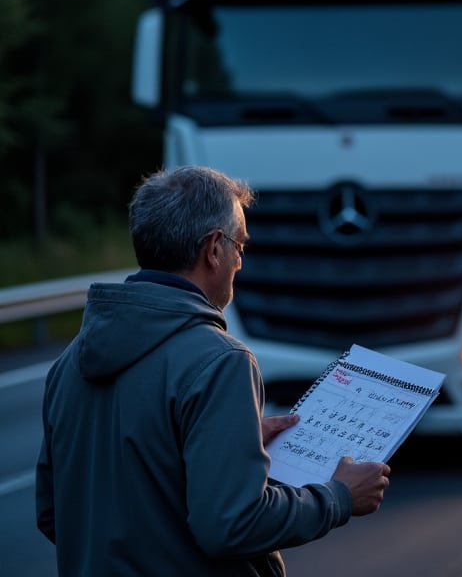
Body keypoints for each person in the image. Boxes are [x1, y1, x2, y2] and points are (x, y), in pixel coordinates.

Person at [36, 165, 391, 576]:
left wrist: (230, 441)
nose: (240, 261)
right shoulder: (221, 360)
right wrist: (338, 497)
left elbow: (54, 512)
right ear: (213, 249)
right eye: (240, 245)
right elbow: (233, 524)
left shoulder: (70, 362)